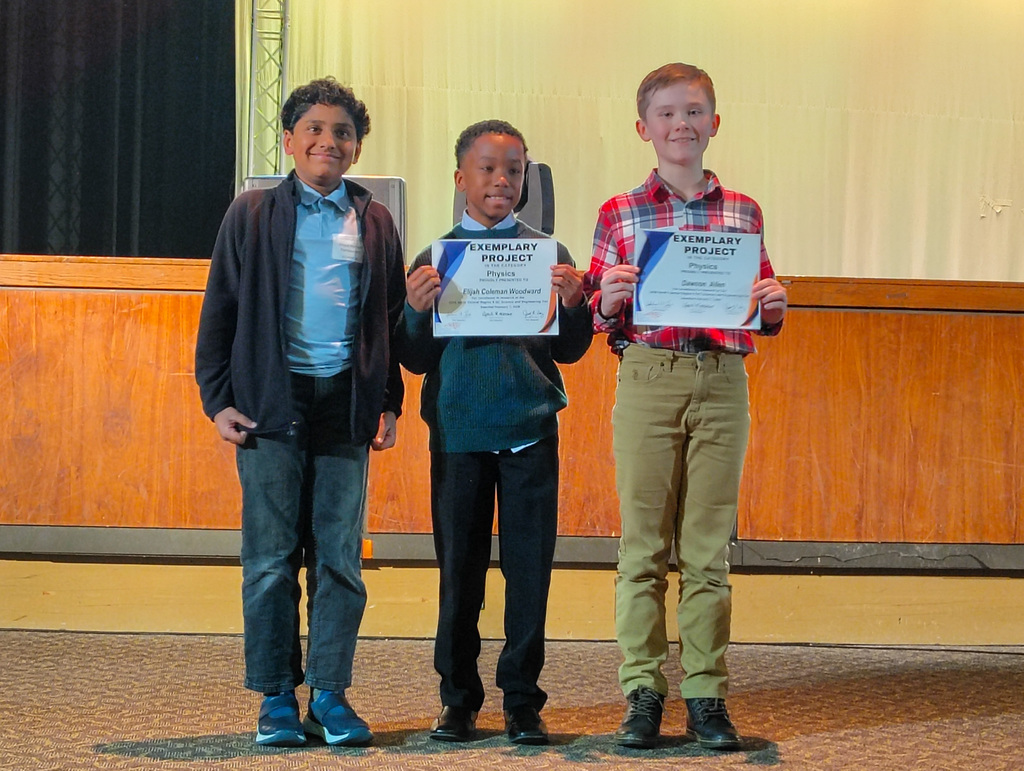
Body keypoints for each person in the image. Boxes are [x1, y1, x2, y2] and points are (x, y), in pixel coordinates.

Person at [194, 77, 406, 748]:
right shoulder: (251, 213)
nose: (328, 140)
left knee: (340, 559)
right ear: (289, 141)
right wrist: (218, 399)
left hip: (344, 406)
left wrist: (389, 400)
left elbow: (389, 321)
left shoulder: (374, 220)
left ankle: (331, 694)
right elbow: (219, 311)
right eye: (314, 128)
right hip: (268, 406)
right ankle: (277, 697)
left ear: (356, 146)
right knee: (269, 560)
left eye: (342, 132)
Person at [584, 63, 788, 751]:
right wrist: (608, 297)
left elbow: (757, 303)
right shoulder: (619, 211)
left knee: (707, 551)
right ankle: (642, 690)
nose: (682, 124)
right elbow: (596, 314)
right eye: (667, 114)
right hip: (646, 374)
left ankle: (706, 693)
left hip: (723, 379)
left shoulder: (745, 212)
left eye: (694, 112)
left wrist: (773, 306)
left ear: (715, 123)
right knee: (642, 546)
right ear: (644, 129)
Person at [398, 119, 592, 746]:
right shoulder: (434, 257)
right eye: (486, 168)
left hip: (530, 432)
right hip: (458, 434)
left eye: (514, 170)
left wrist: (573, 306)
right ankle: (458, 699)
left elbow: (570, 351)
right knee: (460, 573)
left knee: (529, 573)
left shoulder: (550, 256)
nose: (501, 181)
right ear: (461, 178)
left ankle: (522, 701)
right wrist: (414, 310)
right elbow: (415, 359)